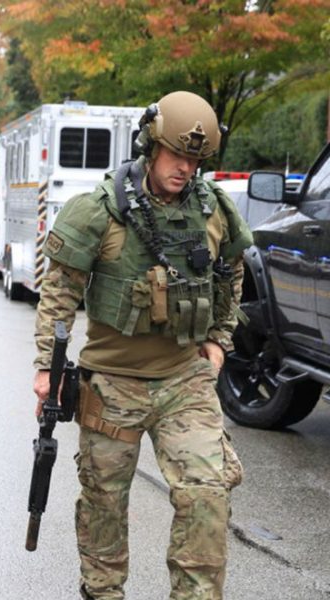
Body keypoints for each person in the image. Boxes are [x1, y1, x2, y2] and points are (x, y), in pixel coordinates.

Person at [33, 91, 251, 599]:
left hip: (184, 380)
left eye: (194, 158)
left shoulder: (213, 211)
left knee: (206, 492)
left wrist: (219, 340)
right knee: (104, 500)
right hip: (111, 383)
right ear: (149, 147)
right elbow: (59, 292)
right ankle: (102, 592)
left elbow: (232, 275)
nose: (184, 167)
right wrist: (48, 368)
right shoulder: (98, 211)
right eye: (176, 154)